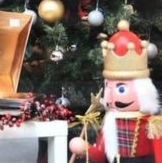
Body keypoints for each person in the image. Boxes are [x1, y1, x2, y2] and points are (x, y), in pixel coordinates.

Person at [69, 21, 162, 162]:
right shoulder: (110, 122)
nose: (110, 97)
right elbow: (100, 156)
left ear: (143, 91)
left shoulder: (152, 124)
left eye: (121, 89)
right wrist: (85, 148)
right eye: (108, 87)